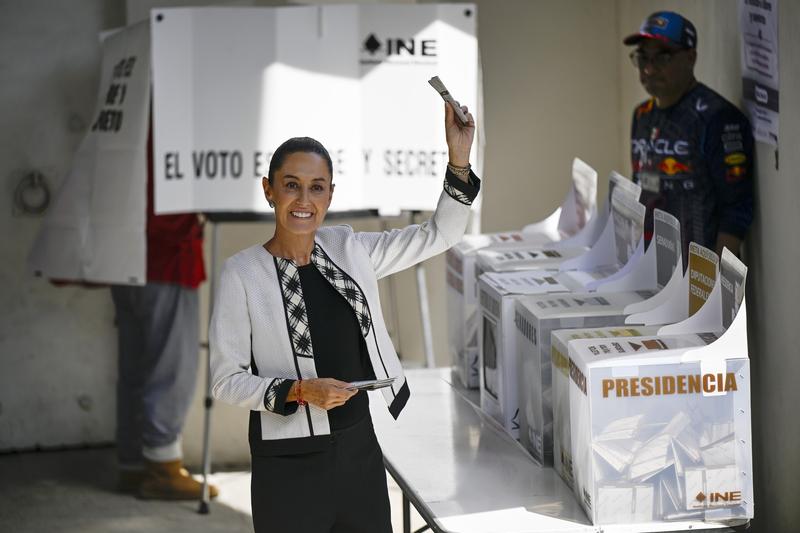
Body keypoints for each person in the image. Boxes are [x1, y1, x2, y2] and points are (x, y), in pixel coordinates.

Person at [209, 102, 479, 532]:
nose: (304, 200)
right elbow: (225, 379)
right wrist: (300, 391)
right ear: (269, 189)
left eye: (317, 187)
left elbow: (440, 234)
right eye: (291, 185)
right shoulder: (242, 274)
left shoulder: (349, 250)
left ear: (330, 194)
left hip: (358, 449)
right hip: (287, 463)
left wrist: (459, 160)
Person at [112, 123, 219, 500]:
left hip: (124, 257)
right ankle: (162, 467)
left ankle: (133, 464)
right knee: (171, 367)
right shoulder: (174, 124)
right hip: (167, 259)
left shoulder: (135, 116)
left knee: (135, 367)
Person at [625, 11, 754, 258]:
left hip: (699, 274)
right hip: (649, 266)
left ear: (691, 58)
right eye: (643, 59)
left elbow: (736, 210)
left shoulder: (718, 118)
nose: (649, 70)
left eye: (662, 58)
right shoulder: (642, 115)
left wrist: (714, 286)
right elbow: (640, 189)